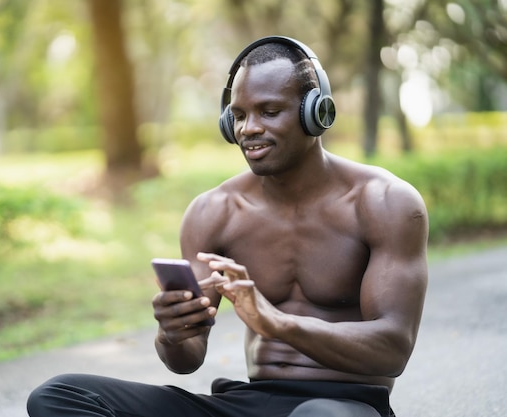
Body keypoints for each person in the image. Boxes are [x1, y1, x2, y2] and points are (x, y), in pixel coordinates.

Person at [27, 36, 428, 417]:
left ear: (315, 113)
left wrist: (278, 323)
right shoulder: (214, 211)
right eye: (238, 115)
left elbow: (393, 350)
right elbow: (186, 362)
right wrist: (173, 333)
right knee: (60, 397)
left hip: (343, 405)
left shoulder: (385, 202)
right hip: (247, 403)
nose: (248, 128)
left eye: (269, 112)